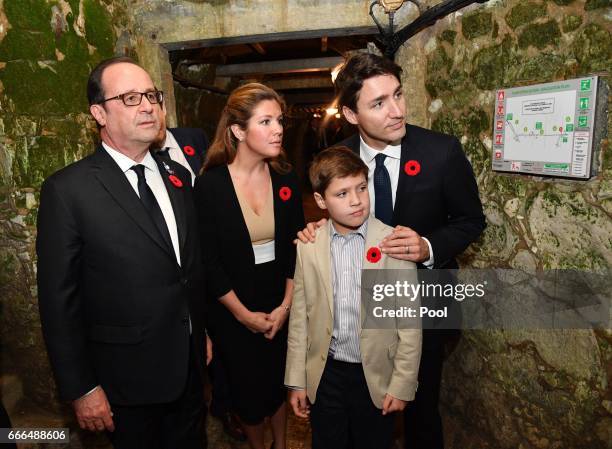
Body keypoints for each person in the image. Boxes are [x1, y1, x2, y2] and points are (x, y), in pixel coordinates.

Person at [297, 53, 486, 449]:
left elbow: (471, 221)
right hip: (355, 314)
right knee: (358, 416)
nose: (397, 111)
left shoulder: (442, 152)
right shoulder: (340, 157)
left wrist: (428, 246)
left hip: (425, 304)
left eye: (397, 95)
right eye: (379, 103)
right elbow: (336, 208)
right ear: (350, 114)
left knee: (421, 411)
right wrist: (321, 226)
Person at [36, 56, 208, 449]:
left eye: (151, 95)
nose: (148, 106)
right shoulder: (68, 191)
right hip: (125, 383)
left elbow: (188, 270)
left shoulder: (177, 177)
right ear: (99, 112)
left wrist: (201, 332)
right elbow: (59, 301)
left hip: (190, 369)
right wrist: (81, 388)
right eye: (130, 98)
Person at [286, 147, 422, 449]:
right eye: (342, 193)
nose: (357, 201)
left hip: (374, 375)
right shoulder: (309, 247)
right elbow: (299, 321)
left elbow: (409, 324)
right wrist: (297, 380)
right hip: (326, 373)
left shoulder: (392, 244)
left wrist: (402, 385)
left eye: (361, 188)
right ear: (321, 200)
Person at [194, 83, 305, 449]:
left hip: (278, 302)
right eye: (266, 121)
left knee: (280, 382)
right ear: (238, 131)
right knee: (247, 392)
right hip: (231, 308)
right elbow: (208, 260)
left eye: (279, 120)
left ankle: (282, 444)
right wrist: (243, 315)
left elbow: (295, 249)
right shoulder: (209, 185)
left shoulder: (285, 178)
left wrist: (285, 308)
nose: (278, 129)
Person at [154, 123, 246, 442]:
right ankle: (210, 401)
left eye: (156, 97)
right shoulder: (142, 156)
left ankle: (228, 404)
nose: (152, 108)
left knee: (224, 336)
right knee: (197, 338)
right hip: (184, 266)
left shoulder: (191, 138)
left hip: (217, 256)